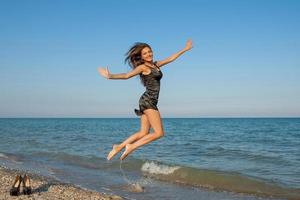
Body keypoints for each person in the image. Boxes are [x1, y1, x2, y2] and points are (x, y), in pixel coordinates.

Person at [98, 39, 192, 160]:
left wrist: (185, 49)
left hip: (146, 100)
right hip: (149, 101)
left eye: (150, 51)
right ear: (141, 57)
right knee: (159, 133)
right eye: (145, 53)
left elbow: (170, 58)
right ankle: (131, 147)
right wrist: (110, 76)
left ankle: (118, 146)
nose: (149, 54)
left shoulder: (155, 64)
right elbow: (127, 75)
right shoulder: (143, 67)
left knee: (143, 133)